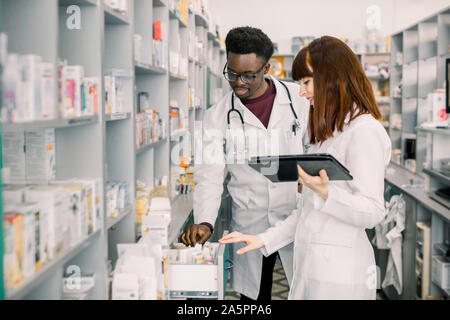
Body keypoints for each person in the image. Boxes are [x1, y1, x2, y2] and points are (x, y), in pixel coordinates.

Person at [219, 35, 392, 300]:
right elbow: (305, 213)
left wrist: (326, 193)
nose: (301, 92)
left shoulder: (364, 132)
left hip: (340, 274)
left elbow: (372, 212)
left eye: (307, 82)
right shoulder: (327, 134)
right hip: (312, 267)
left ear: (334, 78)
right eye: (300, 84)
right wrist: (263, 240)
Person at [180, 26, 310, 301]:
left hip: (297, 218)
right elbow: (210, 174)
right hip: (252, 222)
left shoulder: (299, 100)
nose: (239, 82)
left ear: (267, 68)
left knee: (304, 290)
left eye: (249, 75)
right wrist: (205, 221)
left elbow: (317, 150)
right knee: (253, 300)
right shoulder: (217, 116)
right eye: (232, 73)